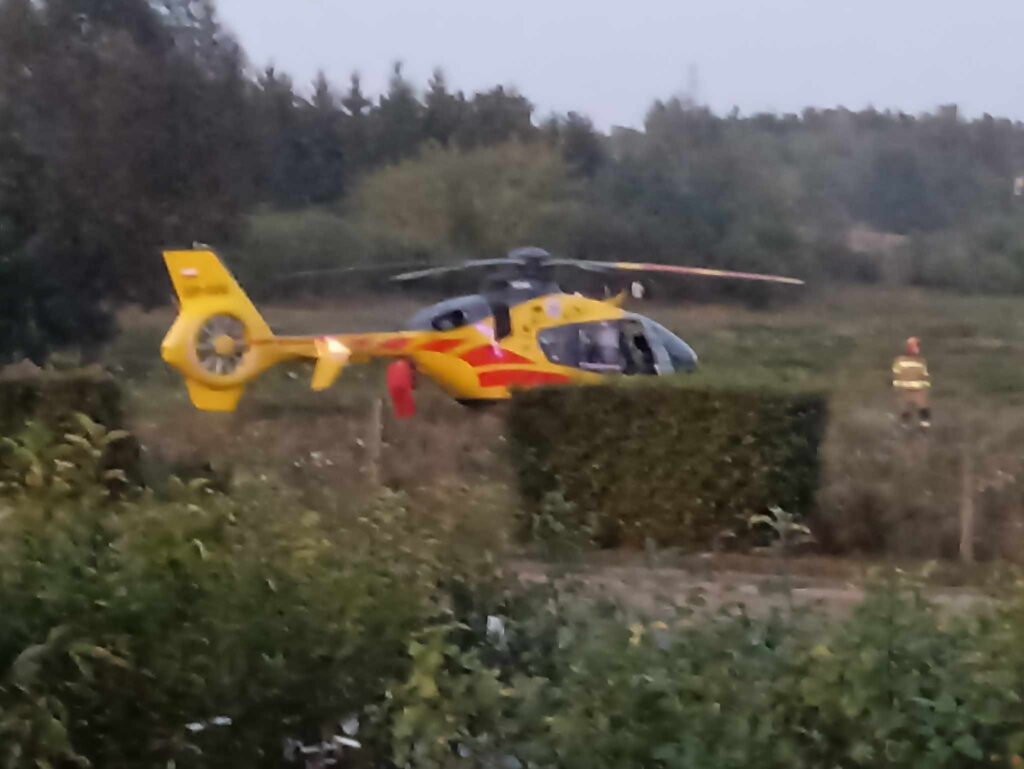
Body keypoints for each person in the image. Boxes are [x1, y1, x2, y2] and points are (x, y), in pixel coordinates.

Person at [891, 337, 931, 429]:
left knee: (920, 407)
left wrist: (925, 388)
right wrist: (896, 388)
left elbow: (924, 376)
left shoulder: (920, 361)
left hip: (916, 389)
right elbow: (896, 375)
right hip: (906, 389)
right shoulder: (901, 361)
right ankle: (906, 425)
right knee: (906, 408)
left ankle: (923, 425)